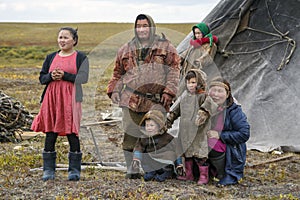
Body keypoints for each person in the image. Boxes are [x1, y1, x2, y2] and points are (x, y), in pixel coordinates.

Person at [107, 14, 181, 178]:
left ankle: (158, 169)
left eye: (145, 26)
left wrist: (169, 92)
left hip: (156, 100)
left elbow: (175, 71)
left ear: (152, 27)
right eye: (139, 26)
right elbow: (117, 73)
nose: (142, 29)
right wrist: (114, 90)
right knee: (130, 134)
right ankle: (131, 169)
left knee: (157, 135)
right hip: (131, 99)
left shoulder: (166, 47)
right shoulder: (125, 49)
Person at [31, 27, 89, 181]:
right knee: (51, 132)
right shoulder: (50, 57)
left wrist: (65, 76)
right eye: (60, 37)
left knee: (72, 131)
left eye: (66, 37)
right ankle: (48, 170)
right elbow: (42, 78)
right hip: (52, 99)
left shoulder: (80, 57)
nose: (62, 40)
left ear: (74, 41)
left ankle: (74, 170)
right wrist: (51, 76)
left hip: (71, 99)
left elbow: (83, 78)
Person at [166, 69, 218, 185]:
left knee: (200, 155)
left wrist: (203, 113)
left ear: (200, 82)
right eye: (189, 82)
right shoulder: (184, 96)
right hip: (185, 130)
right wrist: (169, 120)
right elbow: (175, 110)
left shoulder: (203, 96)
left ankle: (203, 175)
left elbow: (210, 106)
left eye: (194, 82)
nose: (191, 85)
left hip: (199, 131)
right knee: (187, 154)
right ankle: (189, 174)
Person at [207, 76, 250, 186]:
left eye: (220, 91)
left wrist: (220, 135)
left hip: (231, 149)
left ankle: (221, 173)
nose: (216, 94)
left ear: (227, 94)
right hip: (212, 143)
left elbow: (244, 133)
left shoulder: (234, 110)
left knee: (211, 143)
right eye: (213, 90)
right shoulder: (206, 107)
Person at [131, 107, 177, 182]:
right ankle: (151, 172)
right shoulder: (144, 138)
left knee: (170, 154)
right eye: (147, 125)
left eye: (152, 125)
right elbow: (138, 148)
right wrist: (136, 159)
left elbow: (177, 149)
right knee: (145, 156)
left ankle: (167, 173)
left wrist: (179, 164)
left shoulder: (167, 137)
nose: (149, 128)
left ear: (159, 126)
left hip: (164, 162)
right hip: (151, 162)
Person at [178, 22, 218, 96]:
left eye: (199, 33)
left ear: (204, 32)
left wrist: (199, 61)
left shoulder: (209, 45)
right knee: (179, 94)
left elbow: (208, 57)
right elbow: (185, 54)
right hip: (186, 75)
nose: (197, 35)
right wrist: (178, 59)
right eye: (196, 33)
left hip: (196, 76)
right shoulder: (194, 45)